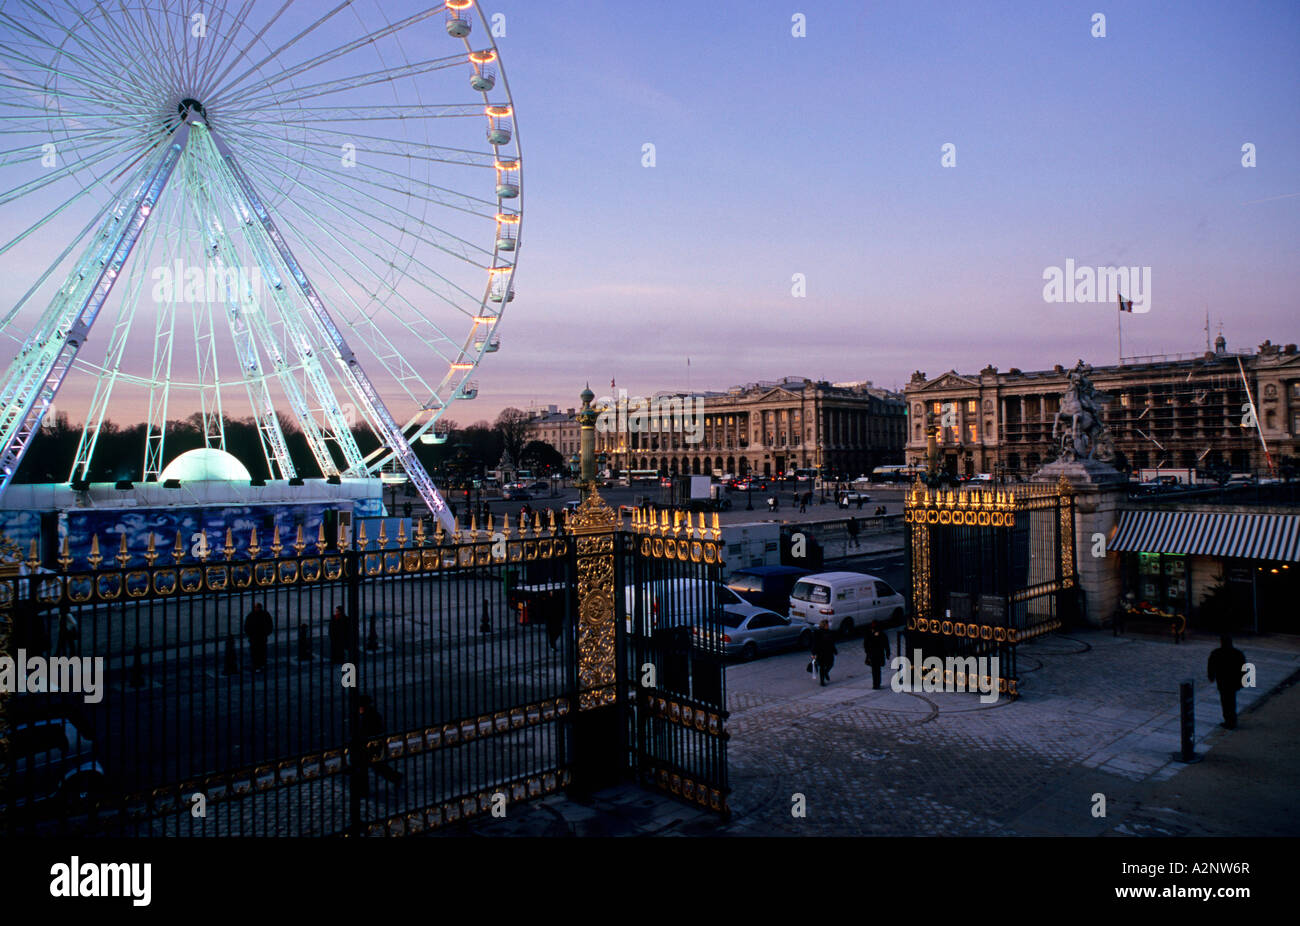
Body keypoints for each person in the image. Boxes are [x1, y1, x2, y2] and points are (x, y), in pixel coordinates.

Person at [356, 694, 403, 796]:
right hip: (371, 744)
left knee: (373, 766)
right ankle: (395, 777)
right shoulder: (370, 714)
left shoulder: (369, 716)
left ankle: (395, 777)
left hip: (372, 744)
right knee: (374, 766)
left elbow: (370, 731)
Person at [1207, 634, 1247, 729]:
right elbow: (1244, 668)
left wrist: (1211, 676)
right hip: (1233, 681)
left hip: (1223, 681)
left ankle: (1229, 720)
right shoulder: (1237, 653)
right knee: (1231, 701)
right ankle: (1231, 720)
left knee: (1225, 701)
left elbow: (1211, 666)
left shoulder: (1217, 653)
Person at [243, 601, 274, 672]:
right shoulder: (264, 614)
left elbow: (247, 626)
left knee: (259, 652)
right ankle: (259, 665)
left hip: (258, 637)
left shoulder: (251, 615)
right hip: (257, 637)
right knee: (258, 652)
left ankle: (259, 665)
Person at [810, 619, 837, 686]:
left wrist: (834, 650)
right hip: (821, 652)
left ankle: (826, 672)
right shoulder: (817, 633)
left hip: (829, 651)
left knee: (830, 664)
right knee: (822, 666)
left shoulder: (829, 632)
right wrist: (813, 653)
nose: (828, 626)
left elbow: (832, 642)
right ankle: (822, 681)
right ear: (824, 625)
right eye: (827, 625)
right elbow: (815, 643)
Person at [864, 622, 890, 689]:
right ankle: (877, 683)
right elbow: (886, 645)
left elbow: (866, 645)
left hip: (872, 654)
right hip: (879, 654)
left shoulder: (869, 634)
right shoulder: (882, 634)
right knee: (877, 670)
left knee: (874, 670)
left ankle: (875, 684)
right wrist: (887, 653)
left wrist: (867, 653)